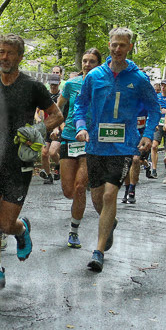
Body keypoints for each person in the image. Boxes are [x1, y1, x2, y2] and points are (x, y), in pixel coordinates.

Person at [0, 33, 62, 291]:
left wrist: (38, 131)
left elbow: (57, 114)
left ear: (20, 56)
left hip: (19, 159)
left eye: (9, 52)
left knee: (5, 224)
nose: (4, 56)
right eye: (1, 51)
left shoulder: (33, 87)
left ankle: (21, 230)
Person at [71, 27, 162, 273]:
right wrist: (81, 126)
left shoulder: (139, 79)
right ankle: (110, 222)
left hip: (123, 146)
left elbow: (154, 109)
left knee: (111, 195)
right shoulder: (94, 76)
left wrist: (146, 135)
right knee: (98, 199)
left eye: (122, 45)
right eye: (114, 45)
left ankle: (98, 251)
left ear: (130, 47)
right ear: (109, 45)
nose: (117, 49)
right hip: (96, 145)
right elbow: (80, 104)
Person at [57, 48, 103, 248]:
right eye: (84, 61)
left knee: (79, 187)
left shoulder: (103, 85)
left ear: (98, 64)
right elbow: (58, 107)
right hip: (69, 136)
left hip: (91, 141)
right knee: (68, 190)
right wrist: (57, 126)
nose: (87, 65)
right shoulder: (71, 84)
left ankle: (74, 231)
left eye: (92, 61)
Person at [39, 65, 65, 185]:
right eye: (51, 84)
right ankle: (49, 175)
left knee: (53, 152)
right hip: (47, 126)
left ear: (59, 83)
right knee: (44, 153)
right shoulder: (45, 96)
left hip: (59, 127)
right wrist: (38, 120)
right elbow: (37, 110)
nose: (53, 86)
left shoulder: (62, 96)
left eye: (55, 84)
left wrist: (58, 127)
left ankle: (59, 165)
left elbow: (60, 114)